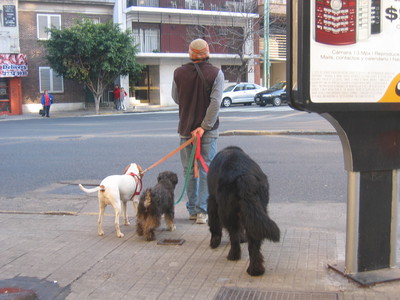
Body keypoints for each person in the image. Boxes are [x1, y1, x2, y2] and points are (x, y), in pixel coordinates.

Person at [171, 38, 224, 224]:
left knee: (188, 171)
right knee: (205, 170)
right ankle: (202, 212)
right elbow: (216, 103)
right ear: (207, 53)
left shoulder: (178, 73)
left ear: (190, 54)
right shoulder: (216, 74)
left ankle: (192, 210)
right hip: (207, 132)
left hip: (186, 129)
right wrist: (204, 126)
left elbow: (176, 98)